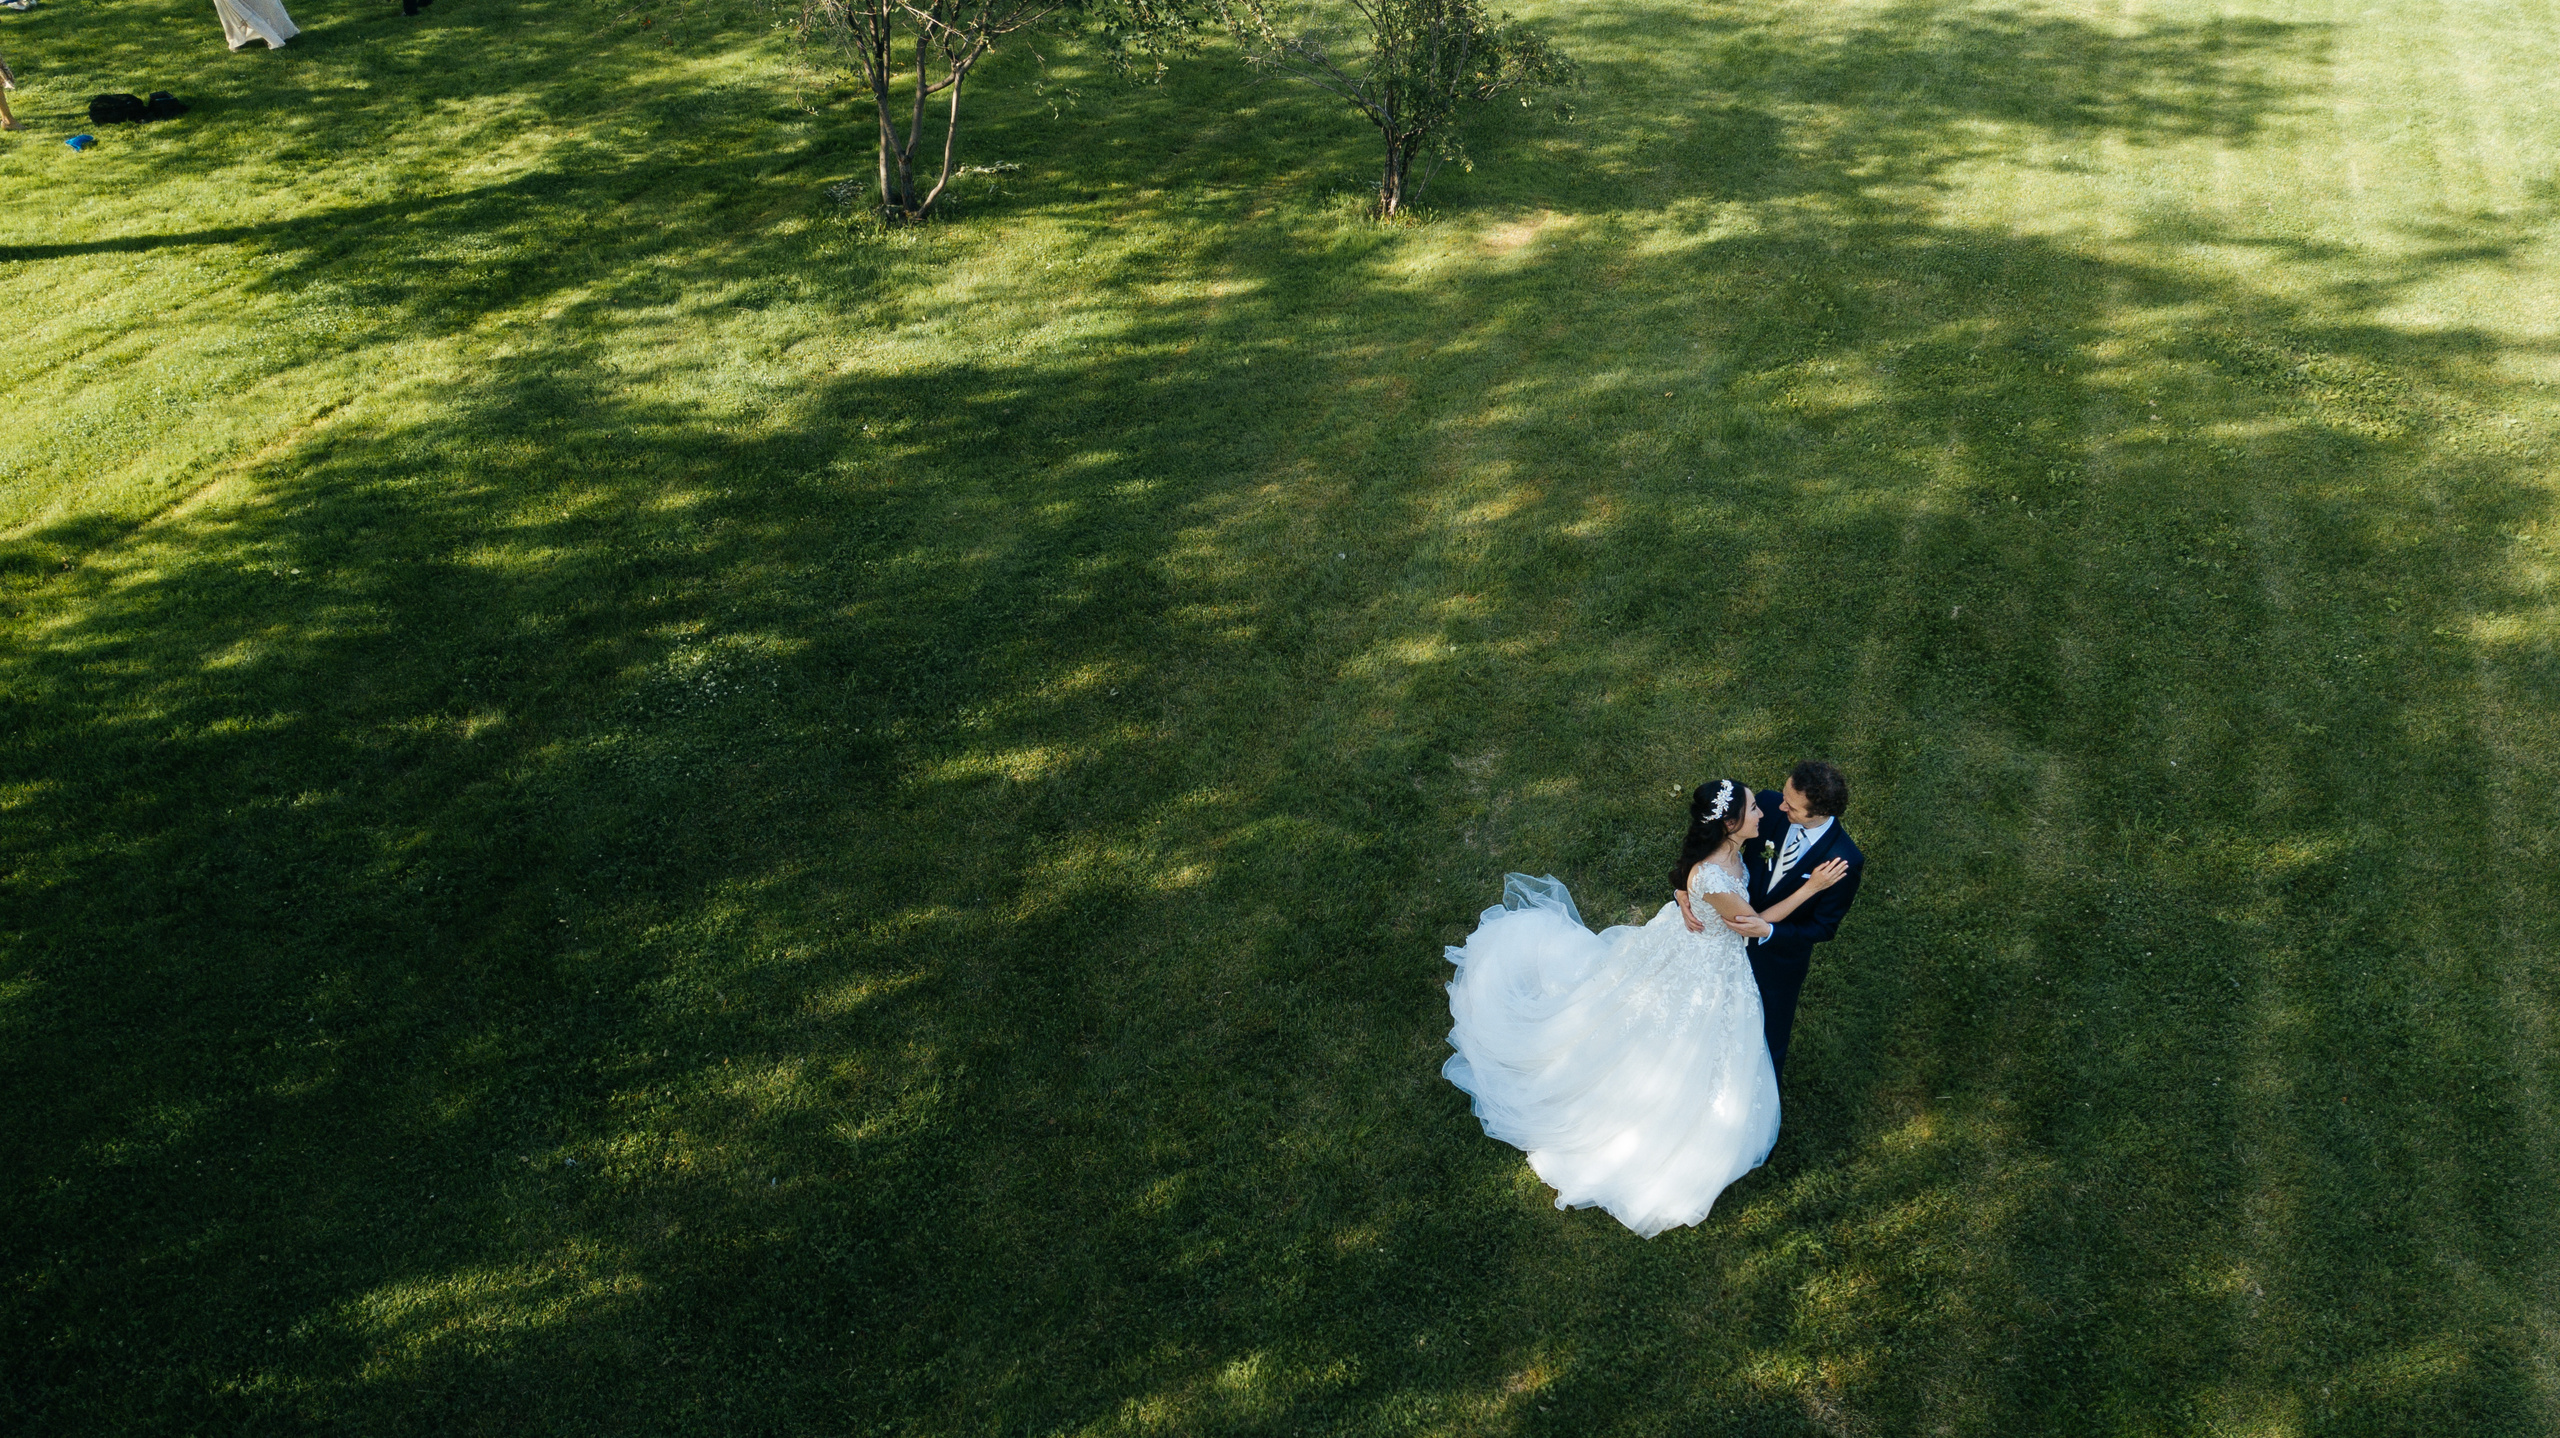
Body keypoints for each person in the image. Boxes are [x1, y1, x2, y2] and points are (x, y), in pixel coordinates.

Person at [1440, 779, 1850, 1237]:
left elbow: (1707, 875)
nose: (1767, 811)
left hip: (1708, 944)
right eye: (1755, 808)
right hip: (1708, 958)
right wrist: (1810, 888)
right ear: (1730, 824)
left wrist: (1686, 892)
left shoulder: (1735, 844)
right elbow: (1751, 923)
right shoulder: (1715, 874)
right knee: (1674, 1032)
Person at [1720, 760, 1865, 1080]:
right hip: (1723, 933)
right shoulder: (1768, 806)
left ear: (1820, 813)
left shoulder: (1844, 859)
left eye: (1793, 806)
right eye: (1785, 795)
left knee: (1768, 1036)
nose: (1781, 805)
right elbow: (1715, 844)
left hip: (1777, 962)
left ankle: (1758, 1094)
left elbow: (1823, 927)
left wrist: (1769, 931)